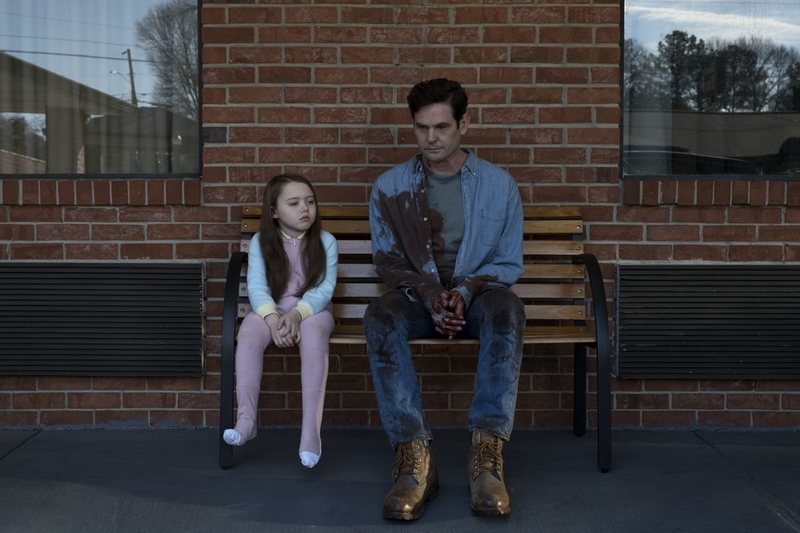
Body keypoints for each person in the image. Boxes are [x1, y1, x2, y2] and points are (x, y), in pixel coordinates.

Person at [363, 78, 525, 520]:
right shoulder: (390, 186)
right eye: (421, 128)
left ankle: (486, 458)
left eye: (441, 127)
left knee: (508, 310)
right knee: (380, 316)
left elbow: (507, 263)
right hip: (418, 299)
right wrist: (432, 294)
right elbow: (388, 262)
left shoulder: (500, 185)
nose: (431, 138)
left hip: (480, 299)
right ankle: (414, 459)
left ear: (463, 124)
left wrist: (465, 292)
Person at [223, 174, 338, 469]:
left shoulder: (325, 242)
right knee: (248, 333)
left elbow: (323, 289)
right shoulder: (261, 242)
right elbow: (257, 288)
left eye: (310, 202)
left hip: (313, 312)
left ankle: (310, 433)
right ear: (274, 211)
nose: (305, 209)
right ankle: (246, 419)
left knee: (313, 338)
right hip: (271, 311)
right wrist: (274, 320)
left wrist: (297, 315)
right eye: (294, 203)